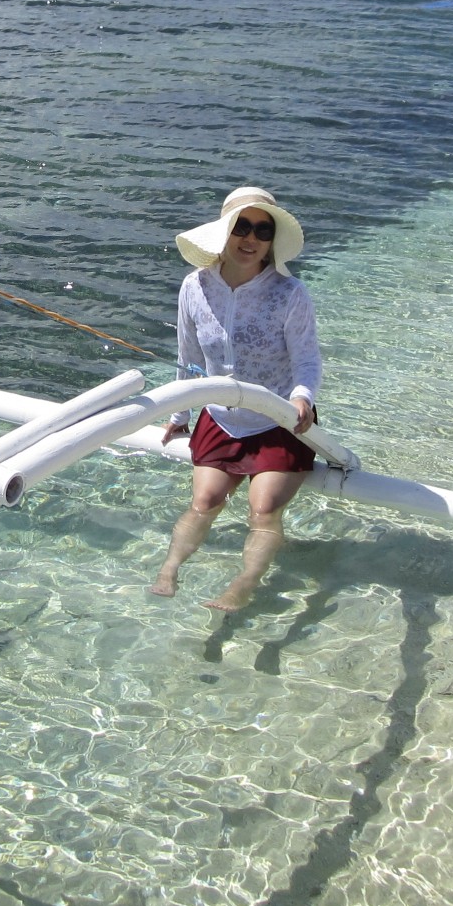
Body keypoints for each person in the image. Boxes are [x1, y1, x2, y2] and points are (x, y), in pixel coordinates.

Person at [150, 186, 321, 611]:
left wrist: (301, 398)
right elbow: (187, 356)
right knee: (205, 501)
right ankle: (168, 570)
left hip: (279, 419)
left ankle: (243, 585)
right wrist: (181, 413)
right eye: (241, 227)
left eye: (263, 231)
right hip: (221, 418)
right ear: (223, 232)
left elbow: (308, 361)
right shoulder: (194, 286)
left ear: (272, 240)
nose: (251, 239)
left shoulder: (290, 293)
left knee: (262, 508)